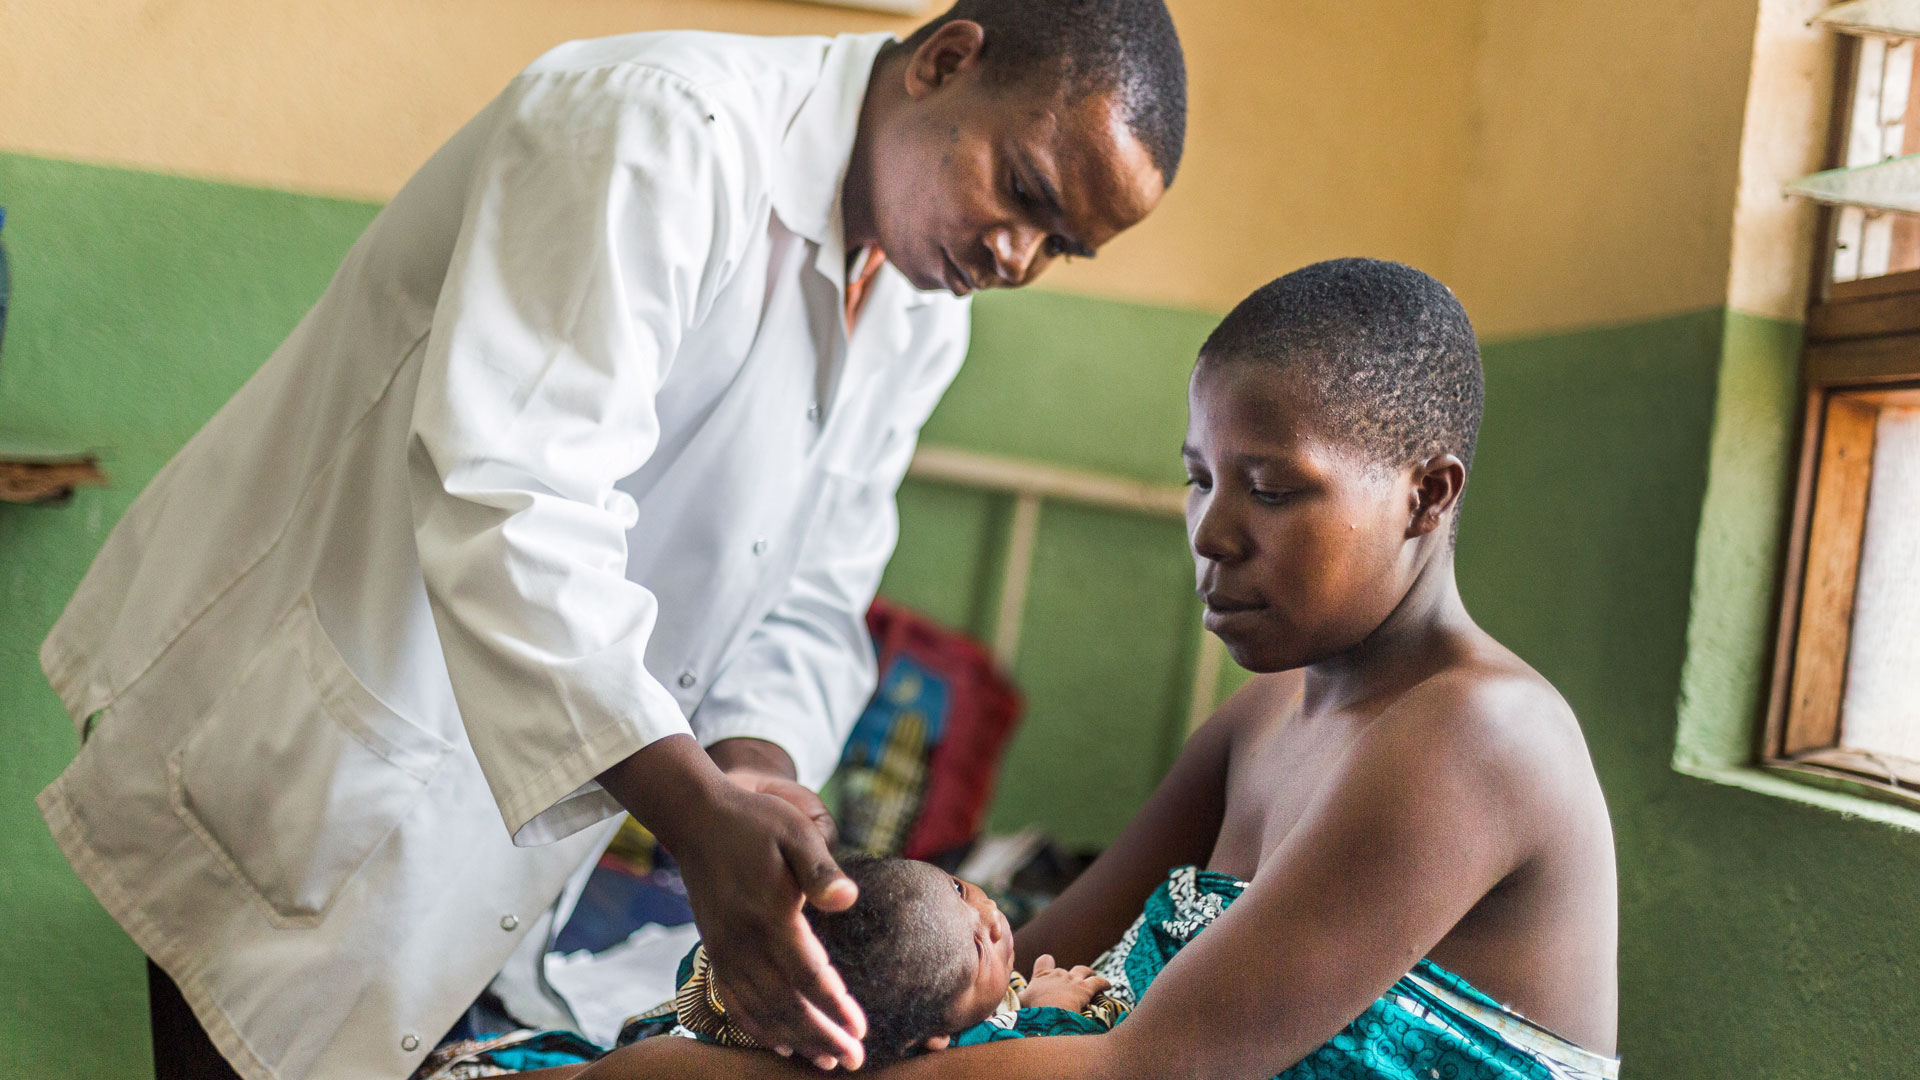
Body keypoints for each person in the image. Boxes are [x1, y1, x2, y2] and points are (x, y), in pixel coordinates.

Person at [32, 4, 1185, 1078]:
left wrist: (760, 785)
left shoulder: (918, 311)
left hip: (481, 791)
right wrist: (690, 813)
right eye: (1025, 193)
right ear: (944, 61)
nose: (1018, 259)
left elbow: (816, 584)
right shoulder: (659, 126)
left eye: (1063, 248)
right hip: (315, 725)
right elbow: (515, 491)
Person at [567, 259, 1622, 1080]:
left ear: (1428, 496)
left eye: (1273, 488)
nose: (1212, 533)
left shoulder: (1479, 737)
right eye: (1200, 479)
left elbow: (1159, 1068)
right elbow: (1026, 964)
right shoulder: (1261, 722)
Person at [652, 855, 1120, 1065]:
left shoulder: (742, 988)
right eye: (980, 946)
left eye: (957, 889)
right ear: (930, 1040)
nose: (991, 912)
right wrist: (1049, 1006)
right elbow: (1047, 1051)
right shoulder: (969, 1049)